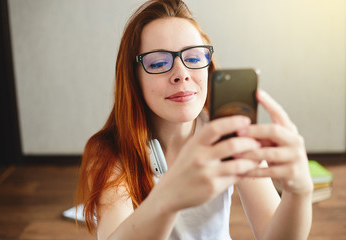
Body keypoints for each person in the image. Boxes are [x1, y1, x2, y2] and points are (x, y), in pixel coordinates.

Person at [77, 0, 313, 239]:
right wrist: (170, 197)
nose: (181, 74)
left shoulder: (231, 137)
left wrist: (300, 192)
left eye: (193, 58)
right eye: (158, 63)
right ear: (133, 77)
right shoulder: (108, 152)